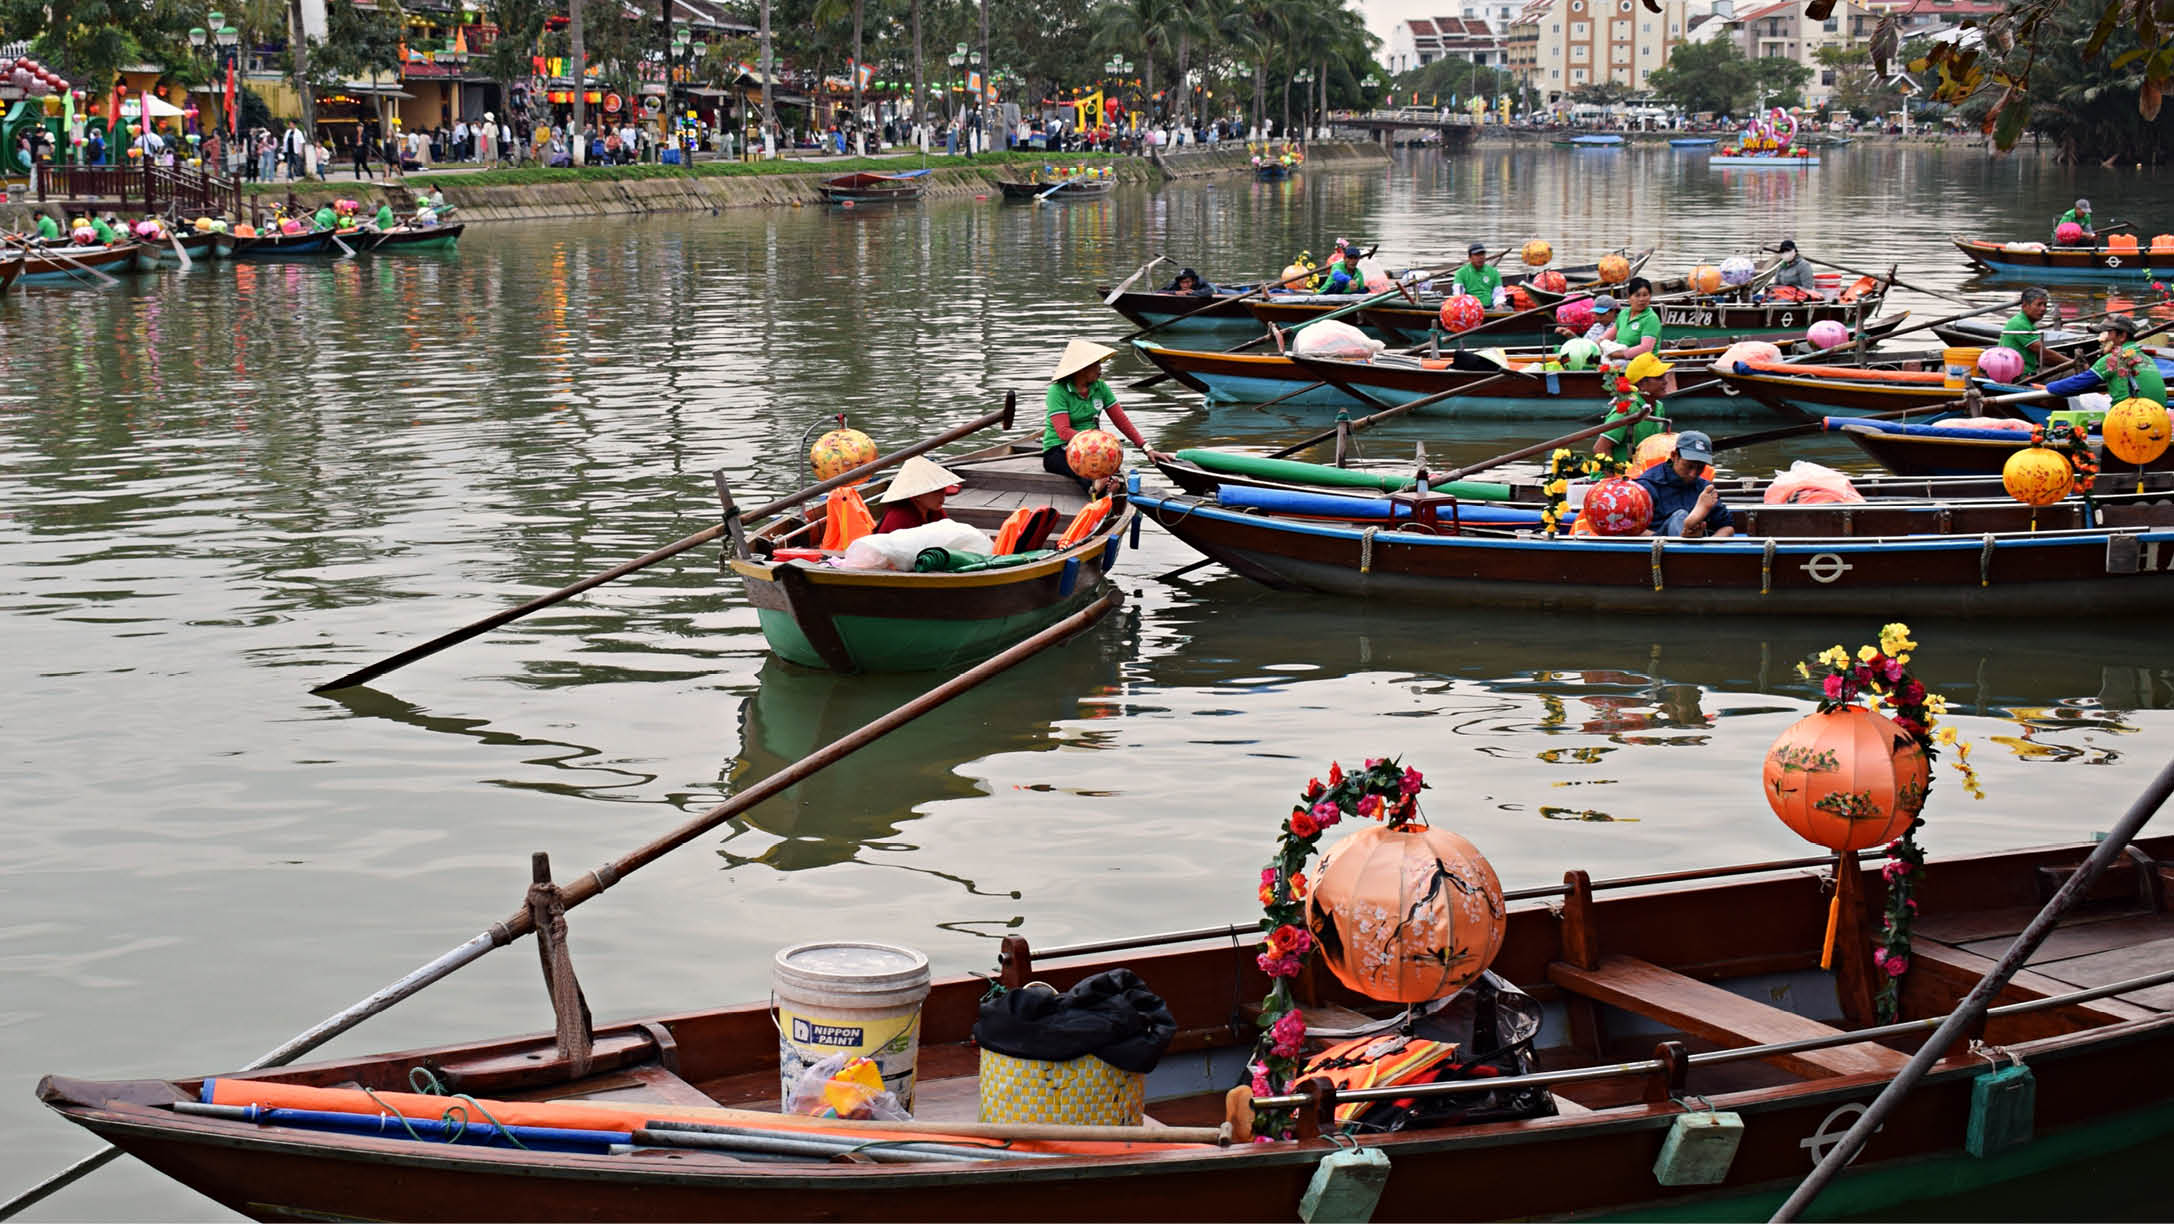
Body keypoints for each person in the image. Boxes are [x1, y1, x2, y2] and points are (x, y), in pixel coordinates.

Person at [1042, 339, 1171, 488]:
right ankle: (1097, 488)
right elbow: (1063, 432)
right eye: (1097, 365)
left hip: (1093, 448)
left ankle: (1106, 486)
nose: (1100, 369)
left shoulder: (1100, 387)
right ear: (1083, 369)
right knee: (1087, 468)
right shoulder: (1057, 391)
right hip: (1059, 448)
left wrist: (1147, 448)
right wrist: (1098, 442)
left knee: (1106, 461)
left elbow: (1121, 420)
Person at [2043, 315, 2167, 406]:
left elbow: (2076, 384)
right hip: (2157, 417)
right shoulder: (2147, 358)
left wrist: (2046, 388)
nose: (2102, 339)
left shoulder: (2113, 359)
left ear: (2122, 336)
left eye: (2108, 333)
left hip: (2131, 419)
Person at [1635, 430, 1735, 538]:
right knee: (1680, 516)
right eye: (1689, 466)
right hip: (1662, 545)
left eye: (1700, 467)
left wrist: (1709, 545)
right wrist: (1671, 538)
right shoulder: (1646, 486)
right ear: (1674, 456)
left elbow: (1727, 527)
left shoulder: (1705, 489)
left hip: (1699, 547)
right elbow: (1632, 530)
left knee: (1690, 525)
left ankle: (1691, 532)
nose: (1693, 474)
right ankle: (1686, 529)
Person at [1595, 352, 1674, 461]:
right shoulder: (1627, 407)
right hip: (1619, 474)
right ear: (1641, 384)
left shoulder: (1659, 407)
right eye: (1659, 377)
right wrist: (1613, 477)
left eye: (1664, 376)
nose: (1665, 382)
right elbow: (1600, 448)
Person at [873, 457, 963, 534]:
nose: (942, 495)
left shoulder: (934, 511)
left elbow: (947, 530)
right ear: (917, 495)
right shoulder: (900, 516)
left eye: (943, 489)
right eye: (935, 491)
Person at [1998, 287, 2051, 379]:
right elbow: (2044, 353)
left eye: (2045, 305)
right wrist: (2072, 362)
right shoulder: (2019, 324)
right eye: (2039, 305)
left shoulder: (2027, 323)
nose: (2043, 309)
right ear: (2024, 306)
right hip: (2021, 377)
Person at [1602, 277, 1662, 358]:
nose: (1641, 299)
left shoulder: (1651, 318)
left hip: (1643, 363)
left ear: (1650, 296)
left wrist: (1618, 355)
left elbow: (1646, 349)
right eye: (1637, 295)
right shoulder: (1624, 313)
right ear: (1629, 297)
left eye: (1645, 295)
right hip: (1621, 359)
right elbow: (1606, 337)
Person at [1452, 241, 1504, 307]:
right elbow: (1458, 294)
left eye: (1482, 254)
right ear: (1470, 258)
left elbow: (1499, 293)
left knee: (1508, 308)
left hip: (1490, 307)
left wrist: (1499, 305)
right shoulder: (1461, 273)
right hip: (1470, 308)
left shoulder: (1494, 272)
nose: (1481, 257)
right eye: (1477, 255)